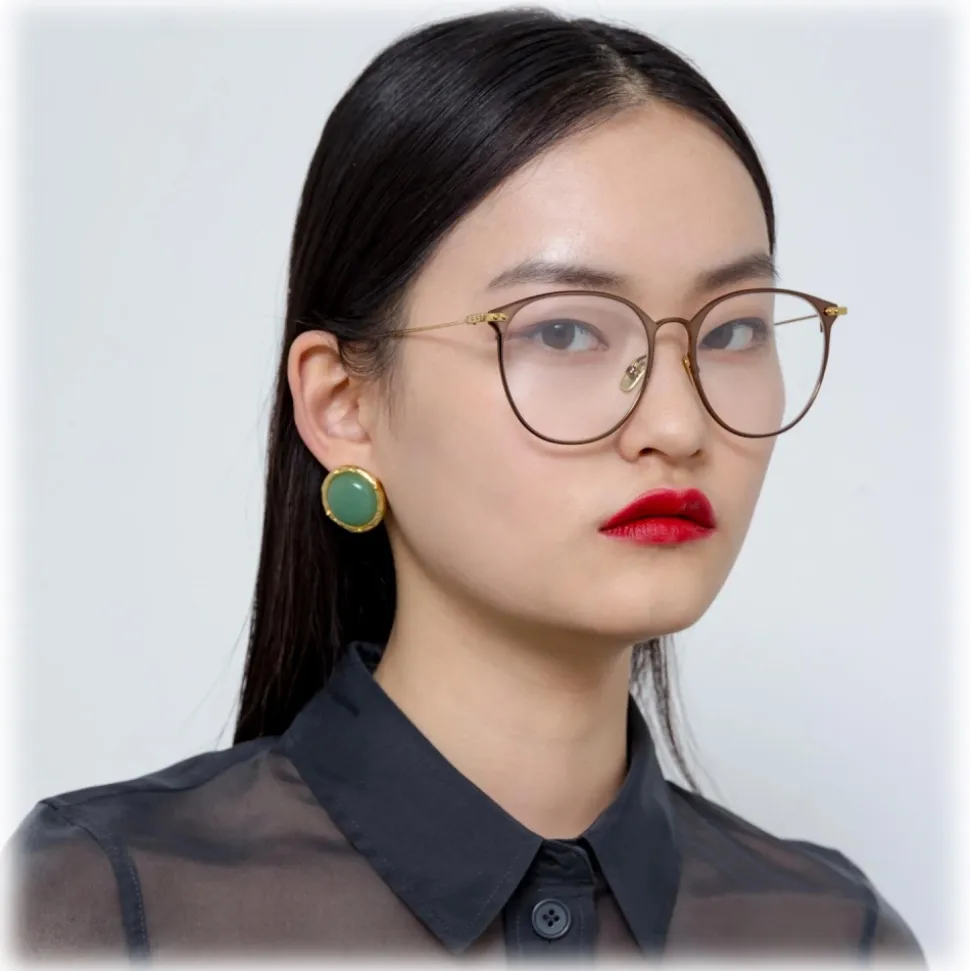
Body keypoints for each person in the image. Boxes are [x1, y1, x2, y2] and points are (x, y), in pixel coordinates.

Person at [4, 7, 924, 962]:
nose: (678, 425)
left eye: (732, 330)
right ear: (344, 405)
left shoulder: (836, 935)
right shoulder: (105, 904)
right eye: (564, 330)